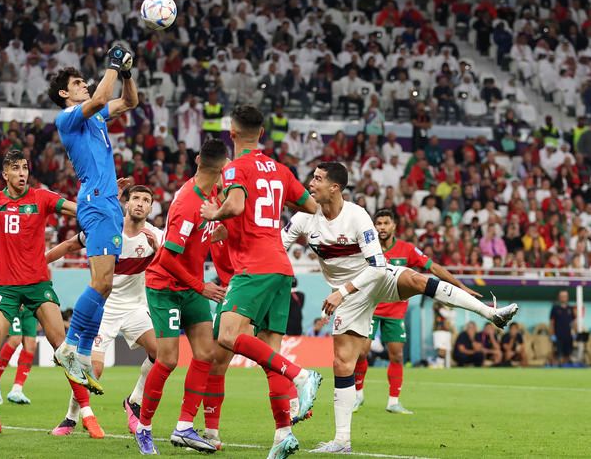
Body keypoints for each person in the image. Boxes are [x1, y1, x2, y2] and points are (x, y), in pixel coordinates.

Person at [281, 162, 518, 453]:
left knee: (418, 280)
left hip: (371, 280)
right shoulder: (305, 218)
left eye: (317, 179)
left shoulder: (357, 216)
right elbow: (277, 246)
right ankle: (342, 441)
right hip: (349, 298)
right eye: (312, 177)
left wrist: (341, 291)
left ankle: (491, 313)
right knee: (342, 363)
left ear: (335, 187)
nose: (310, 183)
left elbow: (379, 266)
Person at [0, 150, 101, 438]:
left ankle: (87, 415)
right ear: (5, 174)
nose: (22, 172)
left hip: (39, 284)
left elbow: (80, 210)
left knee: (63, 349)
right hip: (6, 287)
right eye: (15, 168)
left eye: (25, 167)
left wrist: (103, 202)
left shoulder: (42, 197)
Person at [199, 105, 321, 458]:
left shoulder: (236, 168)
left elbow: (235, 204)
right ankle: (283, 434)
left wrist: (215, 213)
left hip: (254, 267)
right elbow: (311, 207)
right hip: (281, 267)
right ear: (263, 133)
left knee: (227, 335)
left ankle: (301, 376)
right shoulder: (281, 170)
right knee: (271, 356)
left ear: (232, 135)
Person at [47, 45, 137, 394]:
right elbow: (100, 99)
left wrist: (126, 73)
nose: (85, 85)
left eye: (86, 81)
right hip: (96, 203)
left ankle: (83, 356)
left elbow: (129, 103)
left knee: (106, 285)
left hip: (110, 203)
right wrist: (113, 65)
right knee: (101, 283)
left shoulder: (96, 117)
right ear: (64, 93)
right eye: (78, 82)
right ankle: (68, 348)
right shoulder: (68, 117)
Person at [134, 139, 227, 455]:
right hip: (166, 287)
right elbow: (169, 258)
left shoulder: (213, 194)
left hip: (191, 287)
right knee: (169, 359)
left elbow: (199, 236)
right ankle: (143, 428)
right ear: (223, 166)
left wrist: (217, 233)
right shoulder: (187, 202)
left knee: (205, 354)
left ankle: (184, 428)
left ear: (199, 159)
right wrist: (202, 287)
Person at [46, 185, 162, 437]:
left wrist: (160, 252)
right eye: (135, 199)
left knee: (160, 353)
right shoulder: (106, 228)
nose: (140, 203)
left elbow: (178, 260)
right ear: (126, 204)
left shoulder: (155, 236)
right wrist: (37, 263)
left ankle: (134, 401)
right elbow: (68, 246)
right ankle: (71, 418)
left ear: (151, 208)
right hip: (105, 308)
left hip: (135, 309)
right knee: (92, 370)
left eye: (146, 200)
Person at [354, 208, 482, 415]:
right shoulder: (369, 248)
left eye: (386, 223)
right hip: (371, 308)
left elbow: (433, 268)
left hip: (396, 311)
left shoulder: (407, 249)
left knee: (396, 355)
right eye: (379, 224)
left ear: (394, 226)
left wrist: (459, 285)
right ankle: (358, 395)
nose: (382, 227)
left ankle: (393, 402)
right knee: (361, 352)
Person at [0, 305, 39, 404]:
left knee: (31, 345)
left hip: (30, 304)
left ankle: (16, 390)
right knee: (15, 339)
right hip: (15, 301)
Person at [550, 290, 575, 366]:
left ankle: (565, 367)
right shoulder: (555, 308)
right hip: (558, 335)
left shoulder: (570, 308)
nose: (563, 298)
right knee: (556, 353)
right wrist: (552, 334)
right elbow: (552, 322)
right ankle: (554, 368)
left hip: (568, 335)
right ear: (559, 297)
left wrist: (575, 332)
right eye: (562, 296)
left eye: (565, 296)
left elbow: (573, 322)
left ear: (567, 297)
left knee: (567, 353)